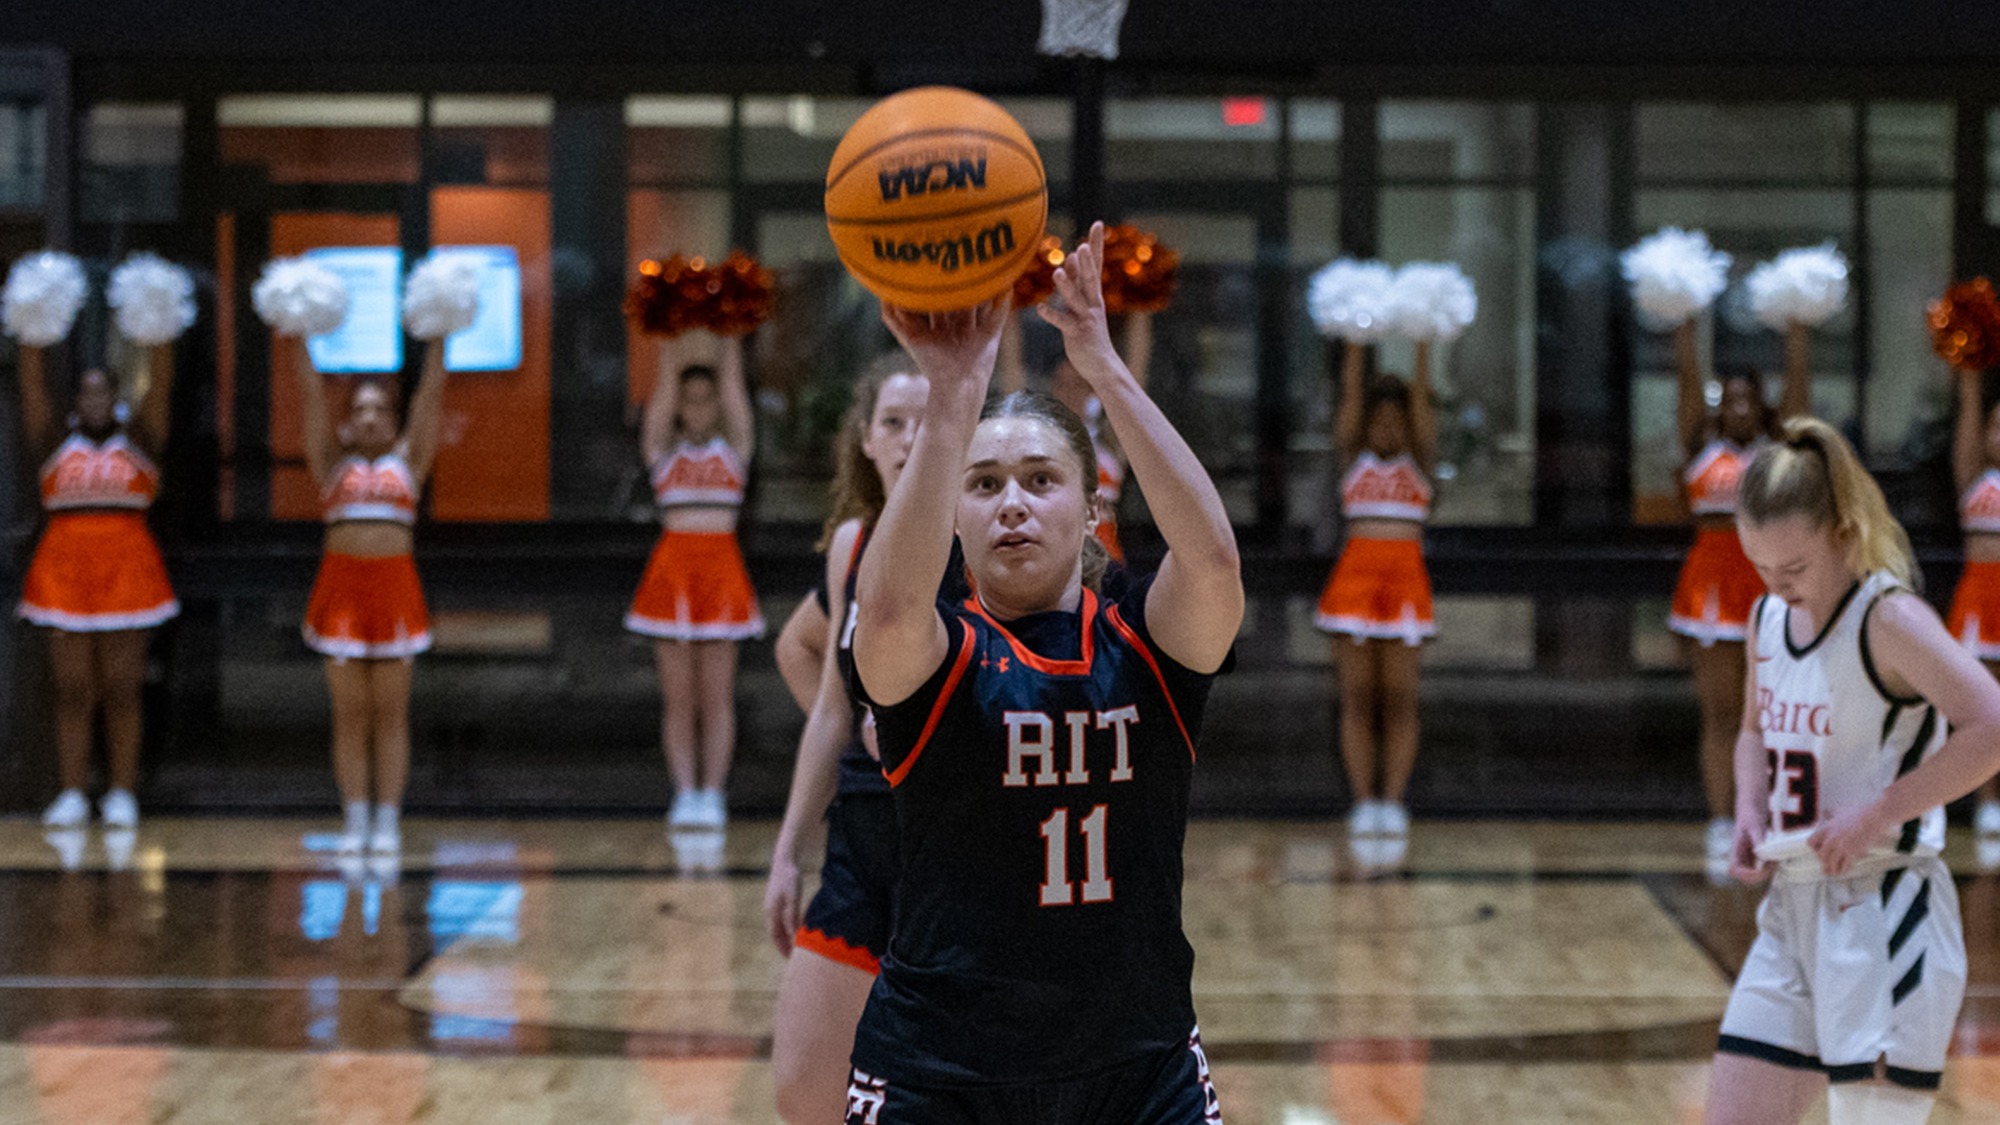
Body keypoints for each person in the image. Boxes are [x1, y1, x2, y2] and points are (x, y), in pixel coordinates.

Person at [845, 222, 1240, 1123]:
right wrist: (952, 396)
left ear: (1091, 505)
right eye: (983, 485)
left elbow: (1213, 561)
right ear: (953, 515)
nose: (1012, 502)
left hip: (1137, 1064)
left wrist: (1103, 363)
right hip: (941, 1067)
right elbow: (893, 609)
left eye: (1039, 478)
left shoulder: (1149, 646)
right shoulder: (939, 656)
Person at [1707, 418, 2000, 1125]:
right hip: (1791, 911)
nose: (1776, 585)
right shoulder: (1769, 618)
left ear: (1842, 532)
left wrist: (1878, 812)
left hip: (1883, 909)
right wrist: (1749, 808)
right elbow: (1752, 729)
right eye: (1761, 569)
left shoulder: (1888, 617)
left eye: (1794, 569)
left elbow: (1991, 724)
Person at [765, 354, 928, 1123]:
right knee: (804, 1087)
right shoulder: (850, 548)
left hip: (953, 847)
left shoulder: (988, 538)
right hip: (860, 840)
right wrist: (786, 847)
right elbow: (833, 704)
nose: (909, 437)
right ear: (866, 439)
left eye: (928, 420)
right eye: (894, 421)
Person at [294, 338, 448, 855]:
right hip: (341, 592)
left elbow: (431, 396)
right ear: (346, 422)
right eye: (359, 409)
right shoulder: (330, 464)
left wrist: (441, 335)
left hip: (395, 591)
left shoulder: (411, 463)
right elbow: (311, 396)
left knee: (391, 713)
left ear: (394, 421)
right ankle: (355, 819)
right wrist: (298, 333)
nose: (368, 417)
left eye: (380, 409)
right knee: (349, 714)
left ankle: (387, 821)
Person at [17, 342, 179, 830]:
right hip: (63, 572)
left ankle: (122, 793)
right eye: (85, 395)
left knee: (122, 689)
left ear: (117, 398)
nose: (94, 403)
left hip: (128, 572)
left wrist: (158, 331)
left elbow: (162, 386)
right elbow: (31, 387)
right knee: (72, 689)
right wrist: (32, 330)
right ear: (74, 403)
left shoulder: (142, 439)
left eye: (103, 393)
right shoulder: (52, 441)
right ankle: (71, 792)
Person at [1672, 322, 1810, 858]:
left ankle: (1773, 816)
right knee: (1722, 712)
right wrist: (1686, 326)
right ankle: (1723, 818)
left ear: (1762, 404)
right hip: (1709, 585)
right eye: (1730, 399)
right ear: (1718, 408)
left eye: (1750, 398)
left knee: (1777, 712)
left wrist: (1797, 335)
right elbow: (1687, 386)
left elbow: (1798, 402)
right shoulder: (1701, 447)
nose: (1740, 407)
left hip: (1769, 583)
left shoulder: (1780, 449)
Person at [625, 334, 762, 829]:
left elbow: (736, 392)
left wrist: (729, 334)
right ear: (680, 406)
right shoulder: (663, 454)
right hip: (673, 573)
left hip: (722, 571)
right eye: (690, 399)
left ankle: (714, 793)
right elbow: (659, 400)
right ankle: (685, 791)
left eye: (708, 400)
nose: (700, 408)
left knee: (717, 696)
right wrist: (667, 336)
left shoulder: (735, 453)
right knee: (679, 699)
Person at [1315, 336, 1436, 837]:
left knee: (1401, 698)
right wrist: (1356, 343)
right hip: (1354, 585)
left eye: (1396, 419)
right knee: (1359, 697)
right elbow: (1348, 399)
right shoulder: (1352, 459)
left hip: (1406, 584)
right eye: (1378, 419)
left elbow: (1425, 403)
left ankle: (1395, 800)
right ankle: (1364, 800)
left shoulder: (1420, 461)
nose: (1387, 426)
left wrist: (1423, 341)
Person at [999, 309, 1153, 563]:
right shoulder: (1032, 438)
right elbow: (1012, 375)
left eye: (1079, 384)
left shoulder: (1107, 442)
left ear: (1094, 392)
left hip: (1103, 566)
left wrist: (1139, 307)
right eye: (1062, 383)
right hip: (1048, 563)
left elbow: (1135, 381)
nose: (1070, 392)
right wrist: (1009, 310)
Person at [1947, 366, 2000, 834]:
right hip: (1980, 600)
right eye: (1997, 426)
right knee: (1985, 703)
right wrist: (1968, 369)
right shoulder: (1974, 479)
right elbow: (1966, 421)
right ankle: (1987, 799)